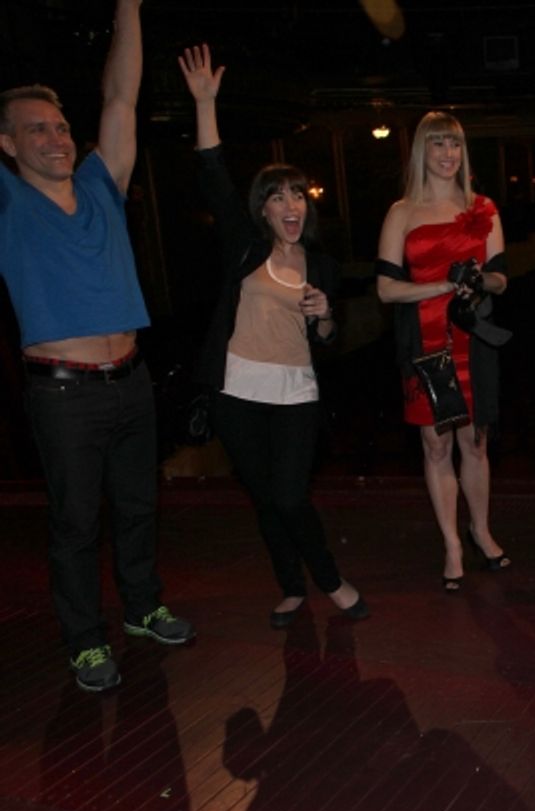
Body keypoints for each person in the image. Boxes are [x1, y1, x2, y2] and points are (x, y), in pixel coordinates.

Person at [0, 0, 194, 692]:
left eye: (59, 126)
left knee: (139, 507)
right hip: (63, 394)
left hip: (131, 380)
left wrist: (129, 8)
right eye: (36, 129)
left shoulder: (100, 182)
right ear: (7, 144)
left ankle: (142, 608)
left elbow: (120, 95)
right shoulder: (8, 203)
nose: (54, 138)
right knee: (77, 522)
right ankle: (85, 641)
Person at [178, 45, 367, 628]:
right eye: (278, 196)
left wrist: (324, 312)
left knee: (290, 495)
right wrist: (205, 104)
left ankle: (330, 581)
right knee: (264, 499)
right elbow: (213, 172)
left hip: (295, 392)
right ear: (262, 210)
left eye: (298, 195)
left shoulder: (322, 264)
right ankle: (291, 588)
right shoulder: (245, 248)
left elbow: (328, 337)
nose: (291, 205)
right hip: (237, 391)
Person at [377, 111, 509, 592]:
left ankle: (481, 531)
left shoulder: (484, 207)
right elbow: (386, 290)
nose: (448, 154)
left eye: (454, 144)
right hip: (426, 341)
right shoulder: (401, 212)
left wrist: (478, 282)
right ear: (422, 151)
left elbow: (501, 278)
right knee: (436, 447)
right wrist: (440, 286)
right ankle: (452, 544)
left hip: (473, 339)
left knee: (475, 443)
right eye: (437, 144)